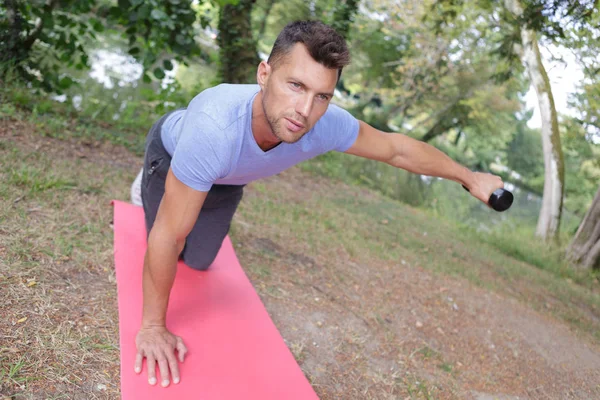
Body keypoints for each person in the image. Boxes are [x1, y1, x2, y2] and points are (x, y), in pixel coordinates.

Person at [132, 20, 504, 388]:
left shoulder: (322, 124)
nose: (304, 110)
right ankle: (146, 185)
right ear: (264, 74)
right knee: (170, 243)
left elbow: (398, 149)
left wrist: (469, 177)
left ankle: (200, 199)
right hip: (173, 157)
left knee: (199, 261)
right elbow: (168, 236)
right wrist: (152, 327)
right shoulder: (214, 127)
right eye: (295, 85)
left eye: (322, 96)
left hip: (226, 182)